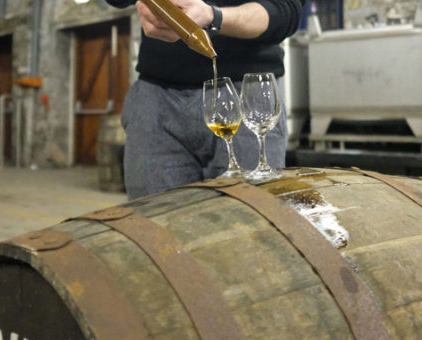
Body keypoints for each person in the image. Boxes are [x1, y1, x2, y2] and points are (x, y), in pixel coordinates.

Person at [106, 0, 305, 199]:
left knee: (250, 212)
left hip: (246, 97)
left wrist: (213, 16)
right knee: (154, 214)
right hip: (156, 98)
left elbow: (285, 10)